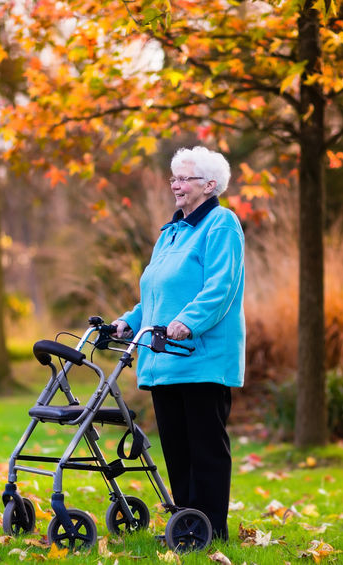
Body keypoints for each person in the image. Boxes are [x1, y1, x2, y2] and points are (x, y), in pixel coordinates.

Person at [112, 145, 245, 541]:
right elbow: (155, 298)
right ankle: (187, 527)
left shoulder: (221, 225)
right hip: (164, 358)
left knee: (205, 450)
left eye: (183, 178)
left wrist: (187, 322)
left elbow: (220, 288)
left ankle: (212, 530)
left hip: (202, 359)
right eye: (173, 178)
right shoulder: (170, 234)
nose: (176, 185)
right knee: (177, 450)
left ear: (209, 185)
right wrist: (128, 322)